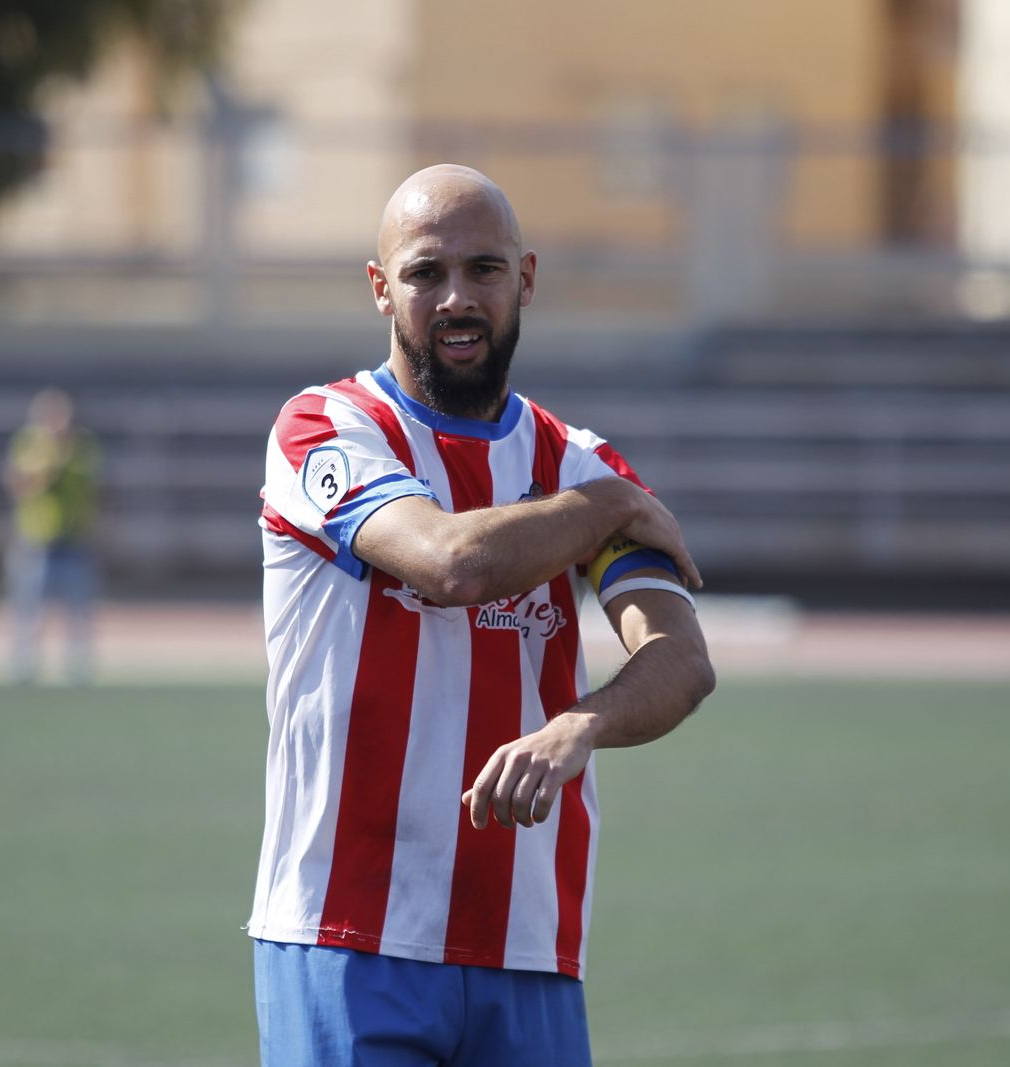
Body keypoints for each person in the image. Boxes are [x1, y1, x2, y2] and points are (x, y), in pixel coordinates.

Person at [250, 164, 716, 1064]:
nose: (457, 297)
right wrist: (608, 505)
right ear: (381, 288)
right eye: (426, 273)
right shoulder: (324, 429)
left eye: (484, 269)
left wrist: (581, 724)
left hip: (529, 945)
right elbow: (450, 562)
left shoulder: (579, 463)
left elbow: (682, 659)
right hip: (347, 934)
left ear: (526, 279)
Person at [3, 387, 102, 683]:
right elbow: (18, 483)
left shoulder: (82, 449)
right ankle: (24, 666)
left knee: (79, 608)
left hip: (73, 539)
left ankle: (78, 667)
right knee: (29, 606)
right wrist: (47, 467)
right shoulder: (31, 446)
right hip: (37, 539)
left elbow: (94, 488)